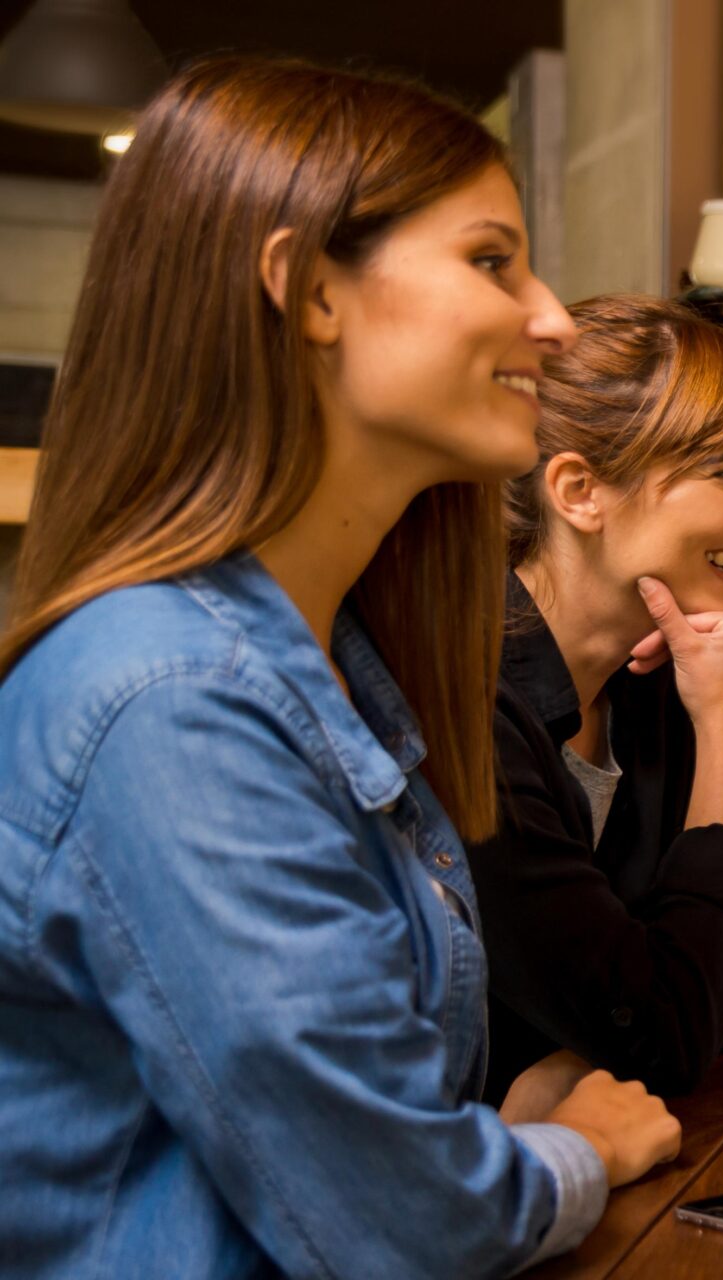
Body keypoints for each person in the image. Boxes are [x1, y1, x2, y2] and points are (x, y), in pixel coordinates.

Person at [0, 58, 680, 1278]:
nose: (554, 317)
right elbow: (400, 1223)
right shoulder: (172, 700)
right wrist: (573, 1149)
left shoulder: (343, 655)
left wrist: (476, 1143)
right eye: (491, 261)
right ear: (308, 290)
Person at [468, 294, 723, 1105]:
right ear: (580, 492)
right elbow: (665, 1025)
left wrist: (573, 1066)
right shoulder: (469, 710)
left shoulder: (653, 687)